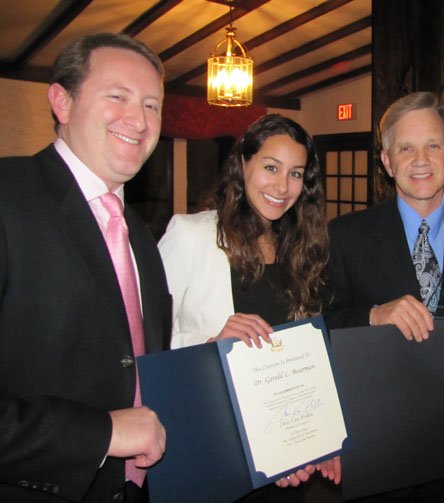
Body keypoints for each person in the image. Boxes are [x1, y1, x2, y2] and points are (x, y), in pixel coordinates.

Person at [0, 33, 172, 503]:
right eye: (117, 96)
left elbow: (134, 364)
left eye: (152, 105)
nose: (138, 120)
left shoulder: (140, 232)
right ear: (61, 100)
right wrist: (100, 435)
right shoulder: (7, 196)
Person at [323, 91, 444, 501]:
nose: (420, 160)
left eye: (432, 145)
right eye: (405, 148)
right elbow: (322, 326)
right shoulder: (345, 235)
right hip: (375, 432)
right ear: (387, 162)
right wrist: (373, 314)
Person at [158, 114, 340, 501]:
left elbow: (303, 359)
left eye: (295, 174)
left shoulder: (301, 250)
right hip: (212, 438)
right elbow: (145, 339)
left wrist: (321, 436)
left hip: (284, 447)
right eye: (271, 167)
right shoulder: (192, 235)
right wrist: (211, 342)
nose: (282, 185)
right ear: (243, 164)